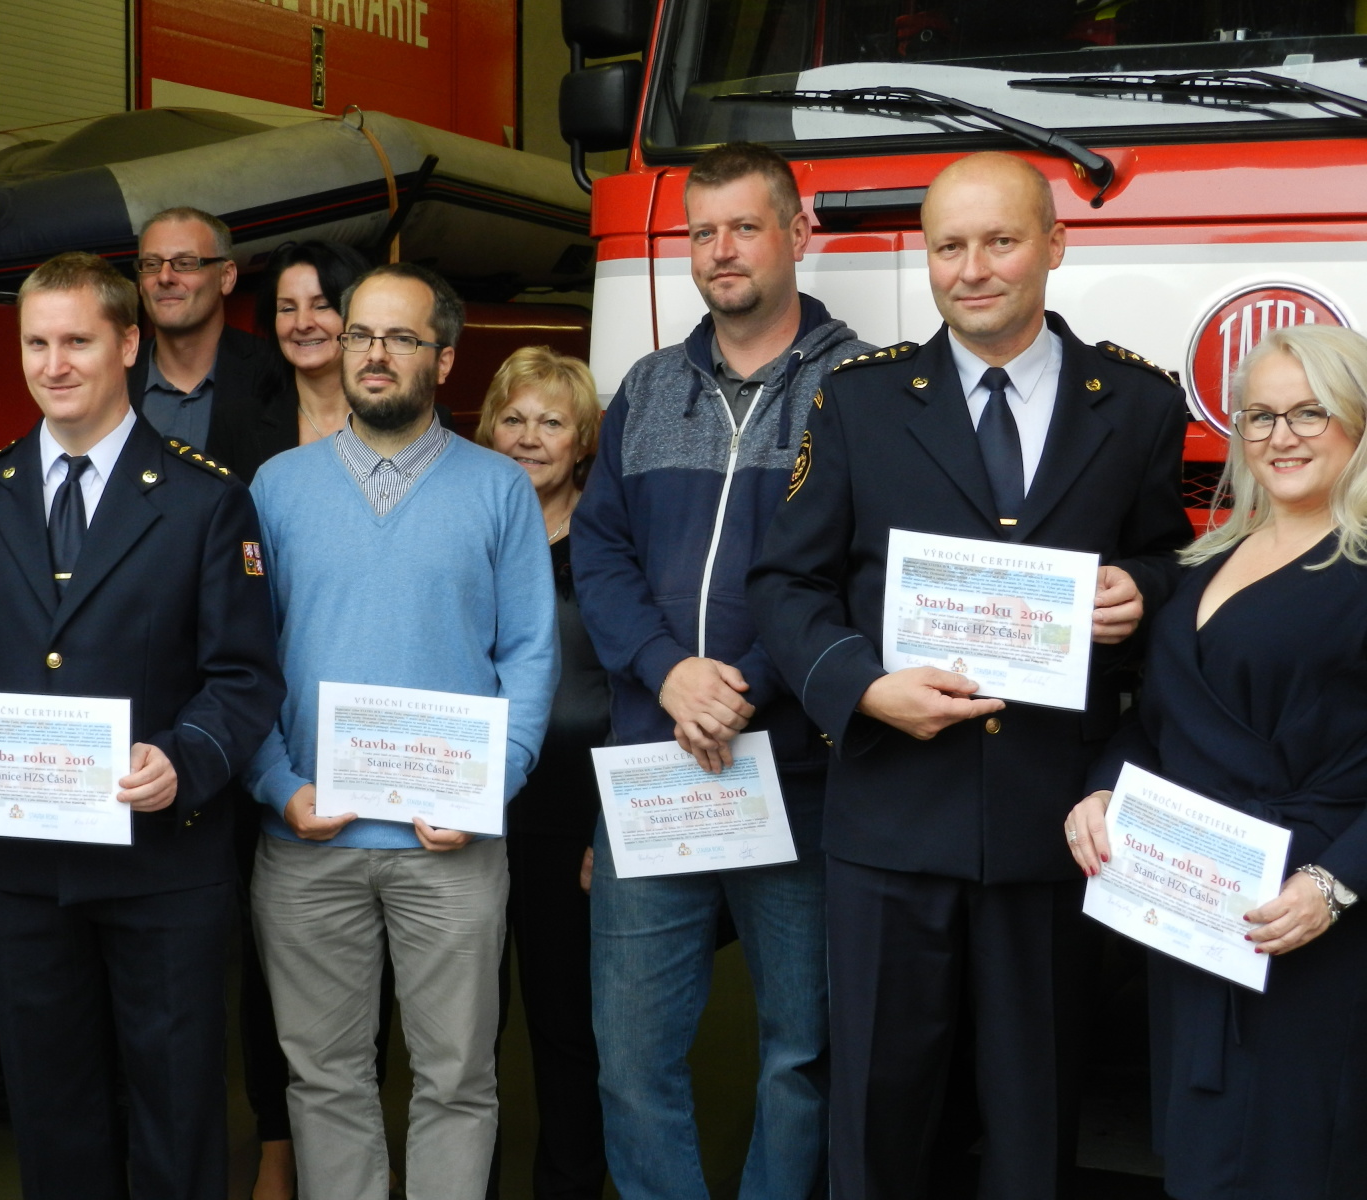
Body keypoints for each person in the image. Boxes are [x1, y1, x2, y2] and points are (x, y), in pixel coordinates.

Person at [745, 151, 1192, 1200]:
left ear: (1055, 245)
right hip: (892, 820)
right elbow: (785, 584)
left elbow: (1173, 561)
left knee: (1035, 1124)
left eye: (999, 241)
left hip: (1050, 823)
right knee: (876, 1119)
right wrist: (861, 688)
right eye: (949, 246)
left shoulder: (1135, 403)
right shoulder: (858, 401)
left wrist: (1141, 590)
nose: (972, 269)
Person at [0, 251, 285, 1200]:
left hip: (163, 868)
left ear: (128, 344)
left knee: (175, 1113)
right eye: (37, 343)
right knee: (52, 1110)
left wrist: (185, 759)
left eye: (77, 340)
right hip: (25, 873)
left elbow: (243, 678)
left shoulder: (206, 500)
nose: (54, 363)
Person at [571, 141, 873, 1200]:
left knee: (804, 1052)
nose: (721, 250)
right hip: (655, 769)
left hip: (794, 771)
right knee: (631, 1054)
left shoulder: (862, 390)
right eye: (703, 232)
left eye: (745, 227)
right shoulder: (649, 387)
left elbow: (858, 575)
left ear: (798, 233)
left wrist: (741, 687)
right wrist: (668, 675)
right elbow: (599, 551)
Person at [244, 262, 559, 1200]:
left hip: (451, 845)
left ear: (445, 359)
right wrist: (276, 785)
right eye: (360, 335)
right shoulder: (277, 486)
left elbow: (530, 654)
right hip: (308, 838)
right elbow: (241, 659)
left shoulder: (498, 489)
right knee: (324, 1079)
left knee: (457, 1080)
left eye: (400, 338)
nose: (374, 354)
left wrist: (490, 786)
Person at [1066, 324, 1367, 1200]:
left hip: (1311, 919)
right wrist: (1102, 793)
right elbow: (1160, 725)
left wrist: (1337, 884)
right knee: (1205, 1161)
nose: (1281, 436)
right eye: (1260, 416)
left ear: (1356, 422)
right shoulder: (1208, 561)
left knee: (1296, 1161)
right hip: (1198, 912)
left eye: (1310, 412)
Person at [475, 346, 609, 1198]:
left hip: (572, 815)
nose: (529, 437)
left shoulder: (610, 544)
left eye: (551, 422)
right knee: (464, 1032)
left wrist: (613, 825)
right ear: (489, 428)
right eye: (513, 419)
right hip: (466, 808)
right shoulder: (464, 530)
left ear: (583, 440)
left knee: (569, 1030)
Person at [127, 205, 286, 481]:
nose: (164, 277)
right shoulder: (115, 376)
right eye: (151, 265)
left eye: (185, 263)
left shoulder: (274, 373)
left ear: (226, 277)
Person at [258, 239, 373, 446]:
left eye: (322, 306)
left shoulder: (407, 416)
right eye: (287, 309)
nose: (302, 324)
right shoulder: (237, 423)